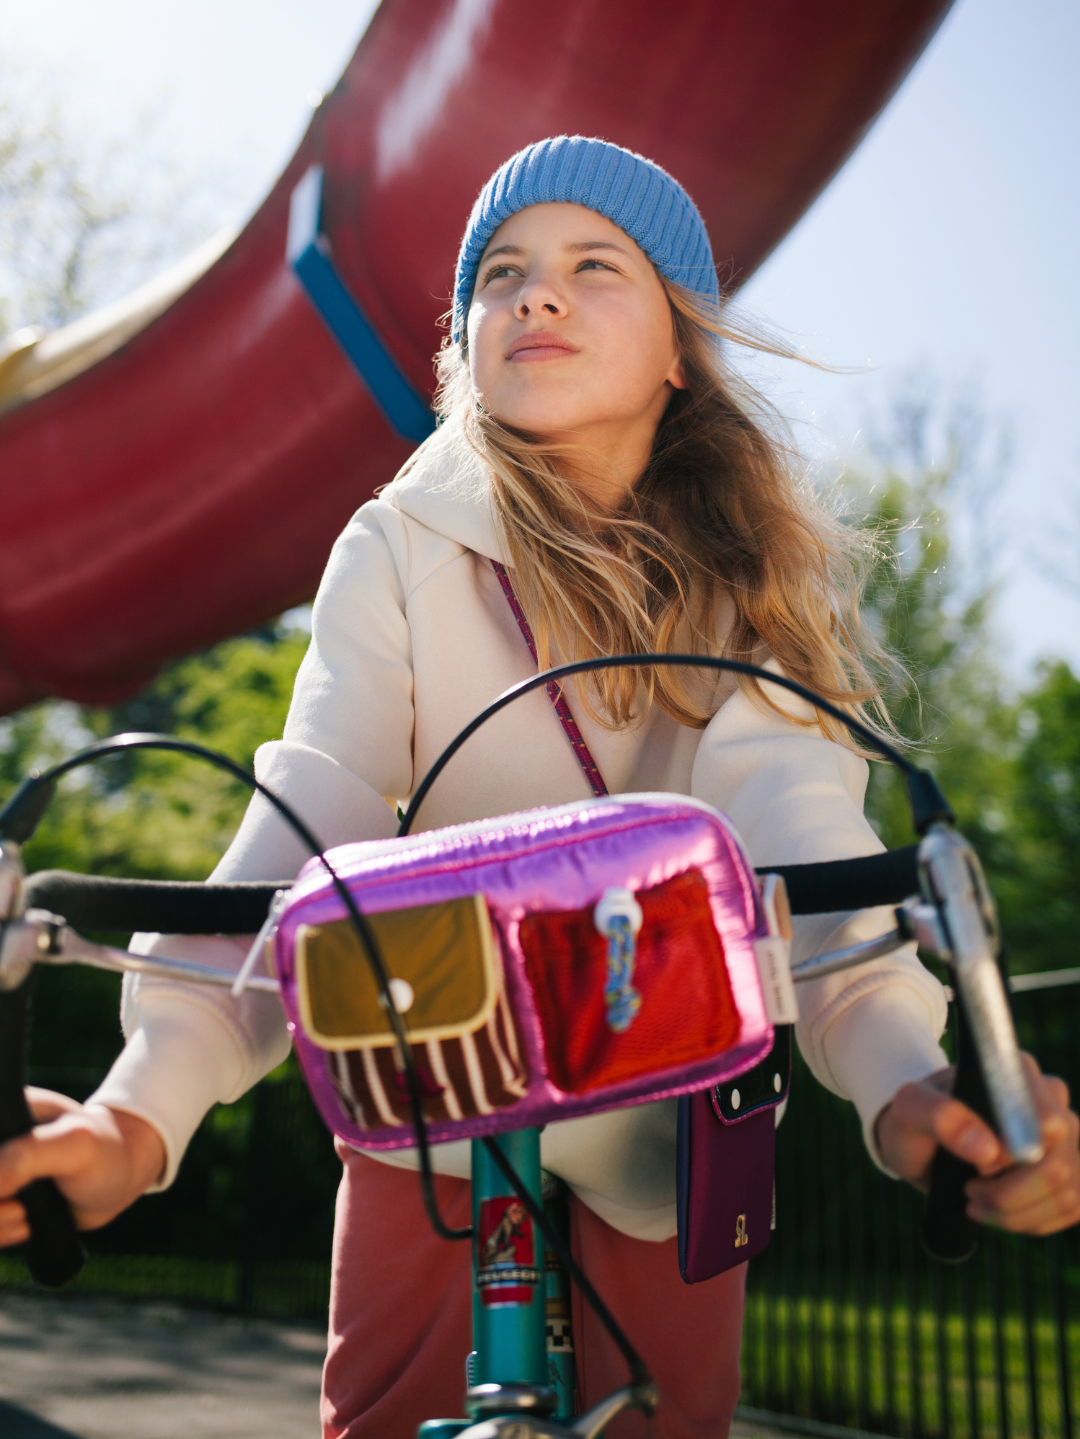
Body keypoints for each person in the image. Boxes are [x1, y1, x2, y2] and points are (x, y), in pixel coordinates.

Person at [1, 137, 1077, 1439]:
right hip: (431, 1090)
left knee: (670, 1418)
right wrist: (135, 1118)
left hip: (670, 1111)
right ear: (466, 346)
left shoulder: (750, 580)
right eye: (500, 273)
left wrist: (917, 1094)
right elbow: (305, 828)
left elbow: (806, 841)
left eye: (593, 267)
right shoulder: (397, 545)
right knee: (386, 1416)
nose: (538, 294)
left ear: (682, 349)